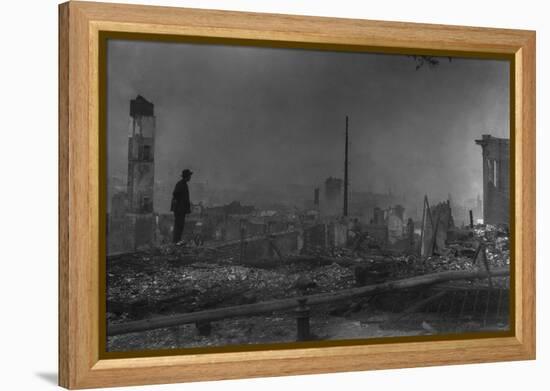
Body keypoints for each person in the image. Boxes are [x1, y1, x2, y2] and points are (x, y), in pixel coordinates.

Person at [171, 169, 193, 244]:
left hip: (180, 209)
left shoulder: (183, 184)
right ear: (186, 176)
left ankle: (177, 240)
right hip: (179, 209)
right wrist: (179, 204)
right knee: (179, 224)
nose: (190, 177)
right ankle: (176, 241)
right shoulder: (181, 184)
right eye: (189, 176)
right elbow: (175, 193)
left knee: (180, 225)